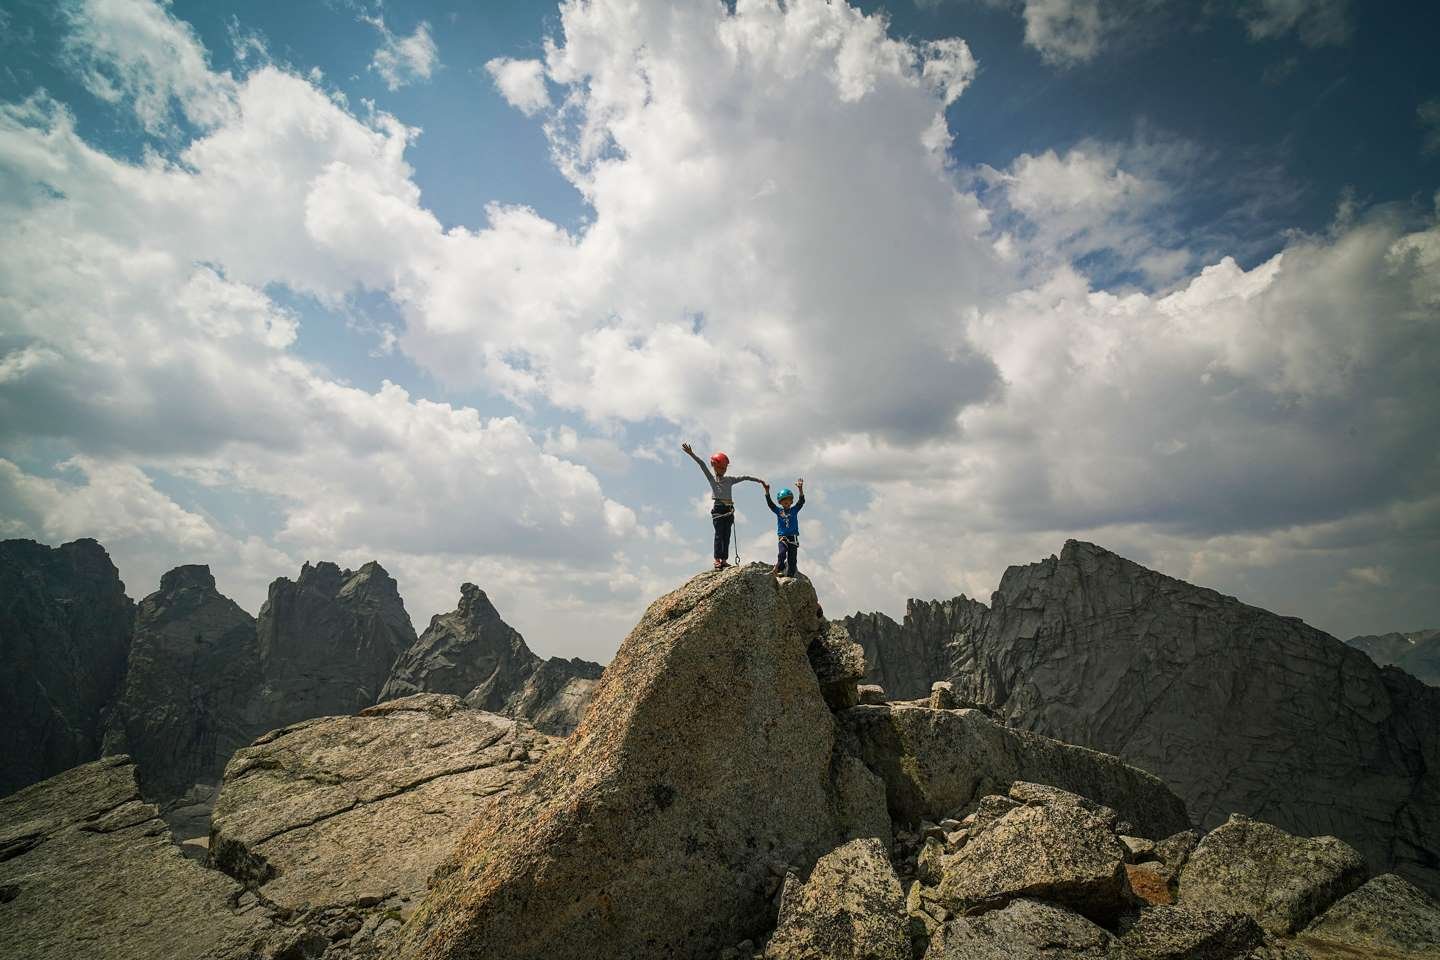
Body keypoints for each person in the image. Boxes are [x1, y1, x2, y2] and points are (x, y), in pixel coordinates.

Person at [682, 442, 762, 569]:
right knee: (719, 535)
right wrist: (692, 454)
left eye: (724, 468)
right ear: (714, 466)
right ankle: (717, 559)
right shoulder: (712, 479)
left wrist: (758, 480)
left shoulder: (729, 480)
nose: (723, 470)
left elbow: (744, 477)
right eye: (720, 468)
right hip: (719, 510)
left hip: (729, 510)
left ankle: (724, 559)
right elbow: (702, 465)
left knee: (727, 536)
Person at [763, 478, 805, 578]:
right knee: (781, 553)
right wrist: (767, 492)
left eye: (788, 500)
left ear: (791, 501)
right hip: (783, 538)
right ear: (780, 502)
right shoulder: (779, 511)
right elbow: (770, 504)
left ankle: (790, 576)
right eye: (783, 500)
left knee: (792, 560)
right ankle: (779, 568)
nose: (786, 502)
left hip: (793, 538)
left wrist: (800, 489)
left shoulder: (794, 510)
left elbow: (801, 502)